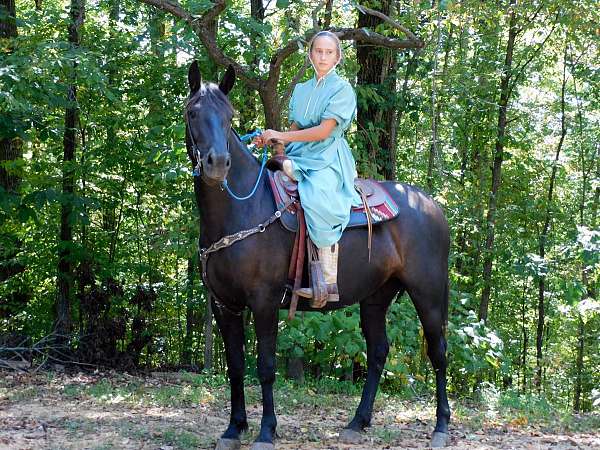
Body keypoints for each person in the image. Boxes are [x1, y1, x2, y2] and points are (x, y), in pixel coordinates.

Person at [253, 30, 362, 307]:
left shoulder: (342, 90)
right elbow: (296, 128)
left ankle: (326, 279)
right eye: (318, 51)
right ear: (310, 54)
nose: (323, 57)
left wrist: (282, 135)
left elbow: (325, 132)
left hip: (328, 157)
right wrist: (274, 140)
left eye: (329, 52)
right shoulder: (301, 90)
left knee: (318, 197)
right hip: (299, 154)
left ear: (338, 57)